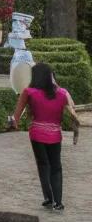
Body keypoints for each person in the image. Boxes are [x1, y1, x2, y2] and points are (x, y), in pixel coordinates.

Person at [8, 61, 80, 212]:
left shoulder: (29, 92)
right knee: (56, 167)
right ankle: (58, 202)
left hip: (37, 134)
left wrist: (12, 124)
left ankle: (48, 198)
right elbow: (73, 110)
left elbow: (16, 118)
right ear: (50, 77)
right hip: (55, 135)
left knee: (43, 165)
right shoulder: (62, 93)